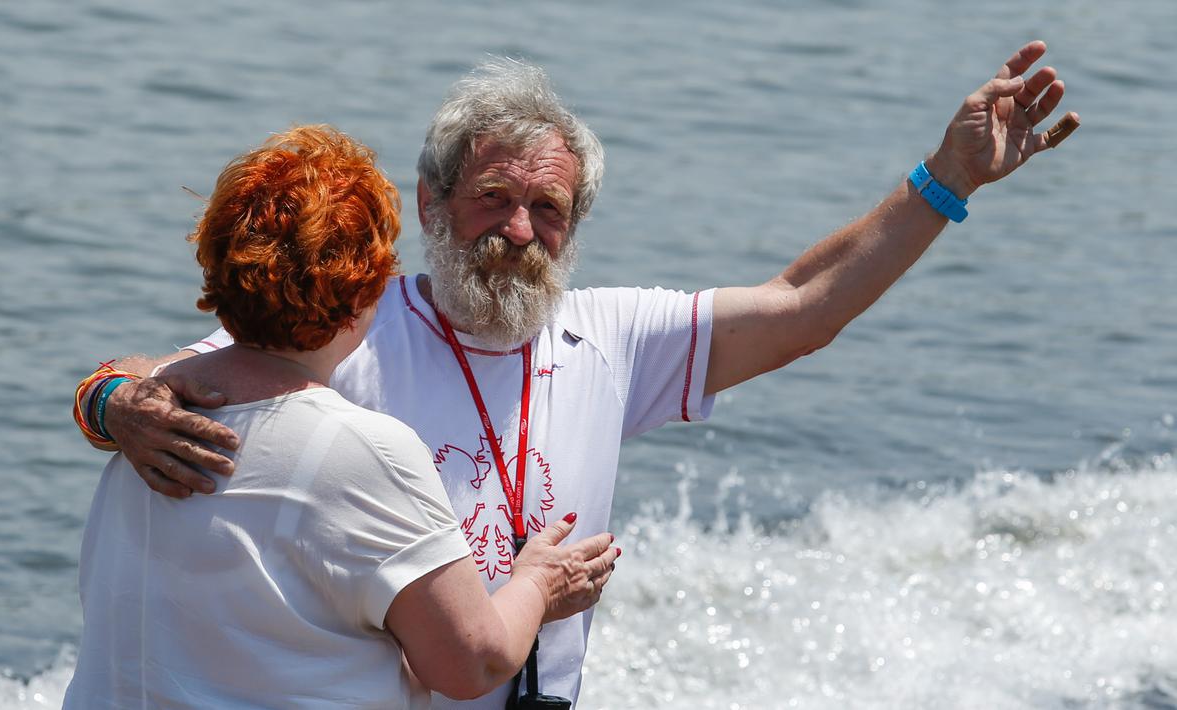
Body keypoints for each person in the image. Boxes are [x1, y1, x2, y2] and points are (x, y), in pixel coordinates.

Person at [76, 42, 1077, 708]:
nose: (519, 230)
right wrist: (115, 402)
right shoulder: (352, 323)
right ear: (430, 201)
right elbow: (165, 380)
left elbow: (801, 307)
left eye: (547, 210)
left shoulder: (609, 335)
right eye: (493, 198)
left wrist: (944, 182)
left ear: (576, 225)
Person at [64, 125, 617, 709]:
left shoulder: (146, 417)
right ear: (364, 293)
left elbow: (111, 383)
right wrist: (538, 582)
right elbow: (470, 662)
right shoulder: (367, 452)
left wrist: (106, 400)